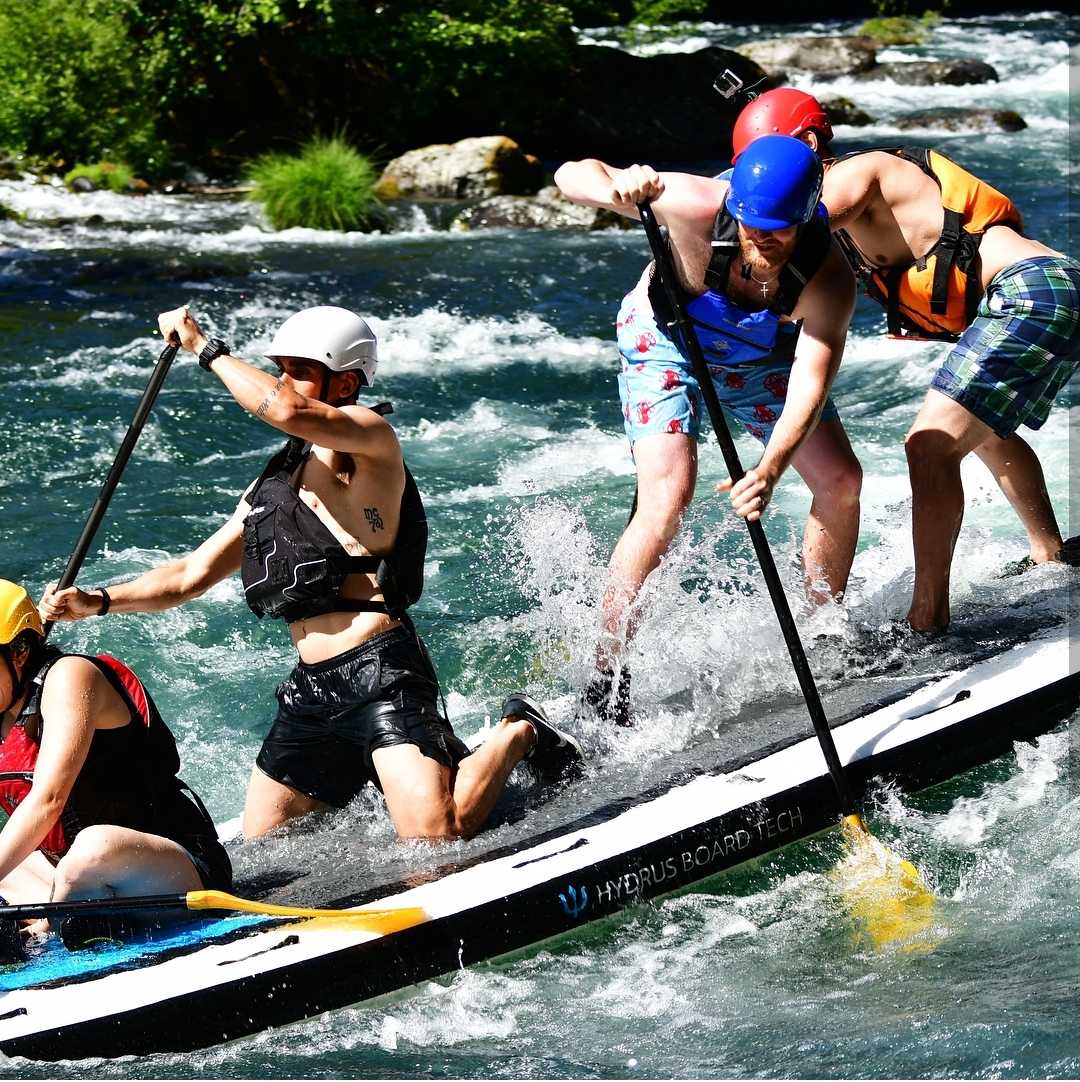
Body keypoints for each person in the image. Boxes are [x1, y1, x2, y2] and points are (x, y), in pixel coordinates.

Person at [40, 306, 582, 842]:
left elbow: (287, 411)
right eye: (281, 368)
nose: (283, 381)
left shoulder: (371, 439)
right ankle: (389, 769)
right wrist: (98, 600)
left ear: (345, 381)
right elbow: (190, 575)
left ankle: (519, 729)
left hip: (380, 673)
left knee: (439, 831)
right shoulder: (273, 486)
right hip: (311, 689)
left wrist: (203, 347)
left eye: (298, 370)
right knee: (266, 842)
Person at [733, 89, 1080, 631]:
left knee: (927, 445)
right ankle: (1052, 556)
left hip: (1031, 290)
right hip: (1037, 295)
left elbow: (800, 230)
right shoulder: (841, 237)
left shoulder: (856, 173)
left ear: (807, 144)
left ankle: (928, 619)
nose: (765, 194)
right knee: (985, 430)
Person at [554, 135, 860, 726]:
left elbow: (810, 383)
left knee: (842, 480)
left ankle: (824, 633)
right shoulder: (693, 201)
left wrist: (769, 467)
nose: (760, 239)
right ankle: (605, 676)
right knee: (667, 500)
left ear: (807, 215)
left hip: (759, 356)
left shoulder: (829, 279)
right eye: (750, 225)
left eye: (778, 229)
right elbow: (571, 171)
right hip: (664, 341)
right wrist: (618, 185)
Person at [0, 579, 231, 957]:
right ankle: (48, 924)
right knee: (56, 861)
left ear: (20, 651)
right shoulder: (2, 703)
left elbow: (49, 800)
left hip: (166, 868)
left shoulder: (70, 677)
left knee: (94, 848)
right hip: (68, 876)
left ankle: (48, 934)